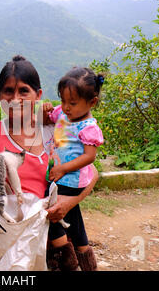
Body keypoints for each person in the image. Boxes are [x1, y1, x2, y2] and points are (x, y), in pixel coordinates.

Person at [0, 56, 99, 270]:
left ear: (38, 95)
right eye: (7, 91)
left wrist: (68, 203)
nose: (15, 98)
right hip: (10, 239)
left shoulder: (52, 129)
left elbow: (92, 172)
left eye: (24, 91)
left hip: (56, 242)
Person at [44, 66, 104, 271]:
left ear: (92, 102)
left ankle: (65, 257)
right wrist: (46, 110)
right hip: (61, 178)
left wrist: (63, 169)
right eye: (62, 100)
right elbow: (49, 118)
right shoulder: (62, 113)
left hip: (72, 180)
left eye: (73, 103)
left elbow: (90, 156)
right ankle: (85, 255)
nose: (66, 107)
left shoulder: (88, 127)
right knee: (73, 217)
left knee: (50, 212)